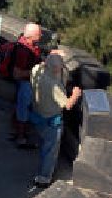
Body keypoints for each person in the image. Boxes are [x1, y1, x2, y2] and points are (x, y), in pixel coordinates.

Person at [29, 51, 82, 186]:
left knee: (43, 142)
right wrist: (75, 94)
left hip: (37, 115)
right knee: (50, 150)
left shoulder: (36, 71)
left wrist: (53, 56)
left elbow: (43, 64)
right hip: (51, 121)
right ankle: (43, 178)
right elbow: (68, 105)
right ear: (56, 70)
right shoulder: (54, 86)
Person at [8, 22, 42, 146]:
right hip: (24, 83)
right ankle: (21, 138)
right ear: (32, 36)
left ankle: (19, 132)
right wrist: (37, 71)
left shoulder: (29, 44)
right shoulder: (23, 50)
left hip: (26, 82)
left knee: (21, 108)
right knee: (23, 109)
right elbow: (17, 74)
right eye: (39, 34)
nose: (41, 36)